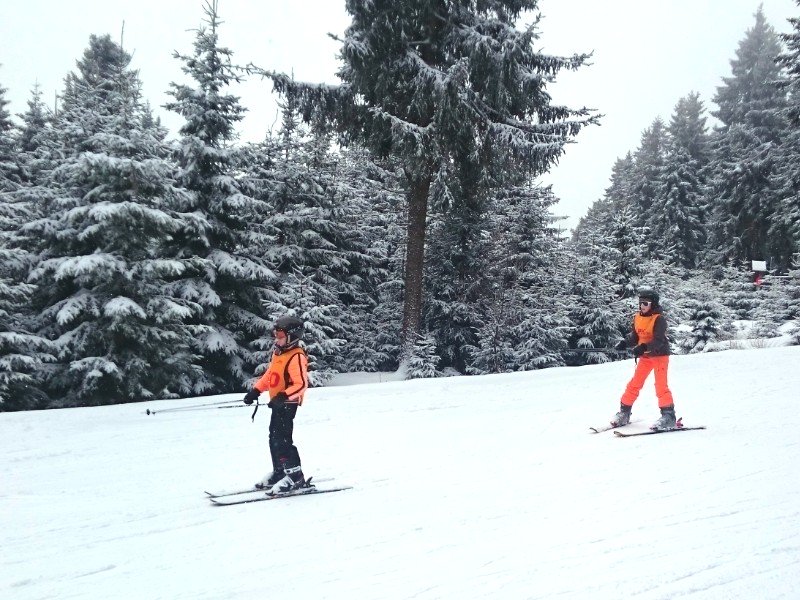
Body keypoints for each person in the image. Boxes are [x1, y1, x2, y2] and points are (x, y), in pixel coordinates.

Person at [243, 315, 309, 494]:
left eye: (280, 335)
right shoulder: (279, 353)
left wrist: (283, 396)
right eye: (276, 334)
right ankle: (280, 472)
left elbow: (301, 384)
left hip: (288, 404)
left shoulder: (296, 356)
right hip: (277, 404)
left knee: (283, 440)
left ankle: (296, 477)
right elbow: (271, 375)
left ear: (292, 336)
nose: (276, 338)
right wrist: (256, 390)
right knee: (274, 438)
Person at [611, 288, 677, 430]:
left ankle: (668, 416)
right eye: (640, 303)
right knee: (634, 383)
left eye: (646, 303)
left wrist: (643, 347)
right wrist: (624, 343)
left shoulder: (659, 319)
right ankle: (624, 412)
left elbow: (659, 341)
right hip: (646, 356)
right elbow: (635, 337)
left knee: (660, 386)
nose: (642, 306)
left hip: (660, 355)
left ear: (653, 304)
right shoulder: (637, 317)